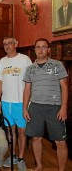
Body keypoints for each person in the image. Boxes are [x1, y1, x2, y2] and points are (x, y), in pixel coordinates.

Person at [23, 38, 68, 171]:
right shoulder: (30, 69)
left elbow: (64, 87)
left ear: (48, 50)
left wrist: (64, 107)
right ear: (35, 50)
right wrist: (24, 108)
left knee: (60, 142)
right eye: (38, 47)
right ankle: (39, 165)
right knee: (36, 138)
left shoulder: (57, 65)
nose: (41, 49)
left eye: (44, 47)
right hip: (35, 107)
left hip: (54, 107)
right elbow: (27, 89)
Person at [0, 37, 32, 169]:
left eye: (10, 43)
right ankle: (13, 155)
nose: (7, 46)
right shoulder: (2, 61)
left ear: (16, 44)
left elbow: (30, 82)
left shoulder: (25, 59)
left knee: (22, 131)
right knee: (10, 131)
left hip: (20, 102)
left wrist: (27, 102)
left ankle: (21, 158)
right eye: (4, 44)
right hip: (6, 102)